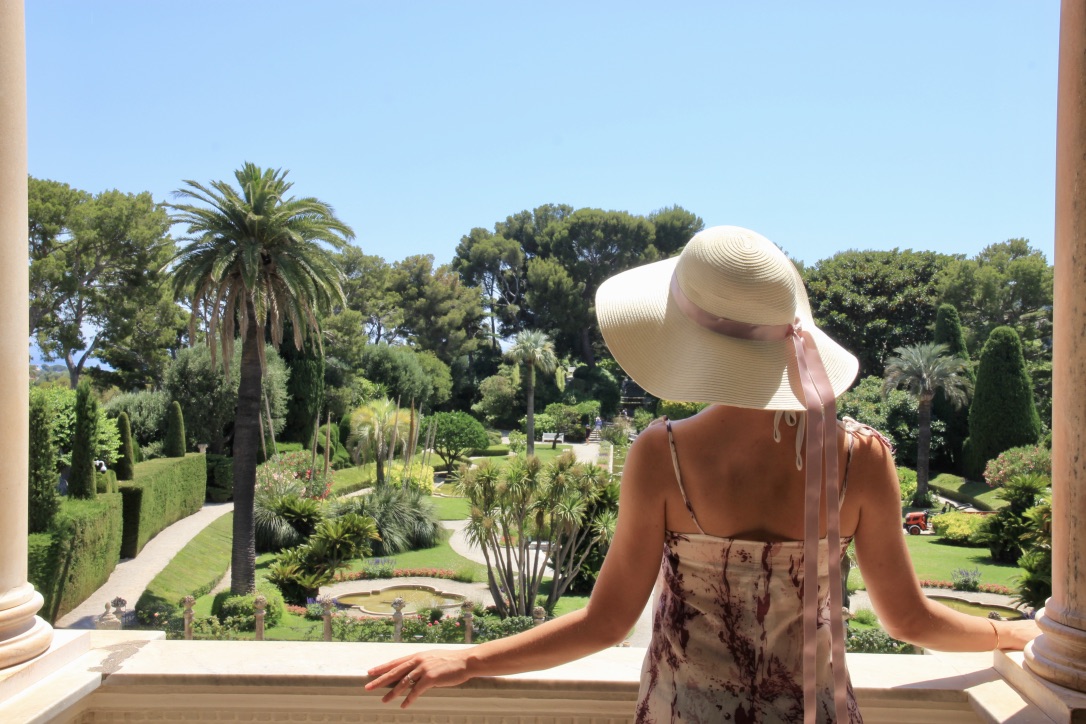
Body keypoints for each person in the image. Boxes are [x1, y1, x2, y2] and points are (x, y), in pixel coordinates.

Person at [365, 226, 1040, 721]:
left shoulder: (662, 454)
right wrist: (1014, 633)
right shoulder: (861, 457)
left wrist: (470, 658)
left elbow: (603, 622)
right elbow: (910, 620)